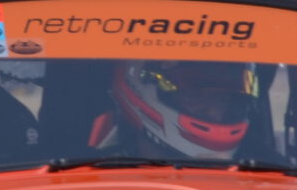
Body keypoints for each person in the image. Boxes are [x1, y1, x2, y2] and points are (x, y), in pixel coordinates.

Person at [94, 61, 258, 162]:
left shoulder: (264, 172)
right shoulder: (96, 174)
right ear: (140, 90)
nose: (214, 113)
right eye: (194, 96)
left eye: (223, 100)